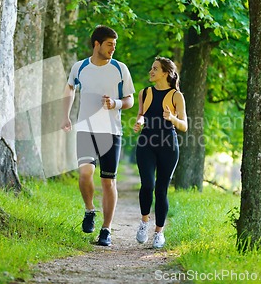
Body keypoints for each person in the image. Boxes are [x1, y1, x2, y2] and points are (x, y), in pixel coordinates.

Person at [62, 25, 135, 246]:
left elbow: (130, 100)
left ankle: (106, 230)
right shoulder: (80, 67)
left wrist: (115, 103)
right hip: (85, 129)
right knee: (84, 175)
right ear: (97, 44)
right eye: (109, 44)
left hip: (111, 132)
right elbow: (69, 89)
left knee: (107, 181)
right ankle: (89, 210)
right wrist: (65, 116)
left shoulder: (120, 69)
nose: (113, 48)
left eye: (115, 44)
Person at [133, 57, 188, 248]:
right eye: (151, 68)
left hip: (168, 145)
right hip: (146, 142)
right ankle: (144, 222)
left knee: (161, 189)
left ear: (165, 73)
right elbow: (141, 114)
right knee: (147, 184)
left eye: (155, 69)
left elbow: (184, 126)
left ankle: (159, 232)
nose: (151, 71)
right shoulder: (145, 92)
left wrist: (172, 117)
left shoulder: (176, 96)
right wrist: (139, 122)